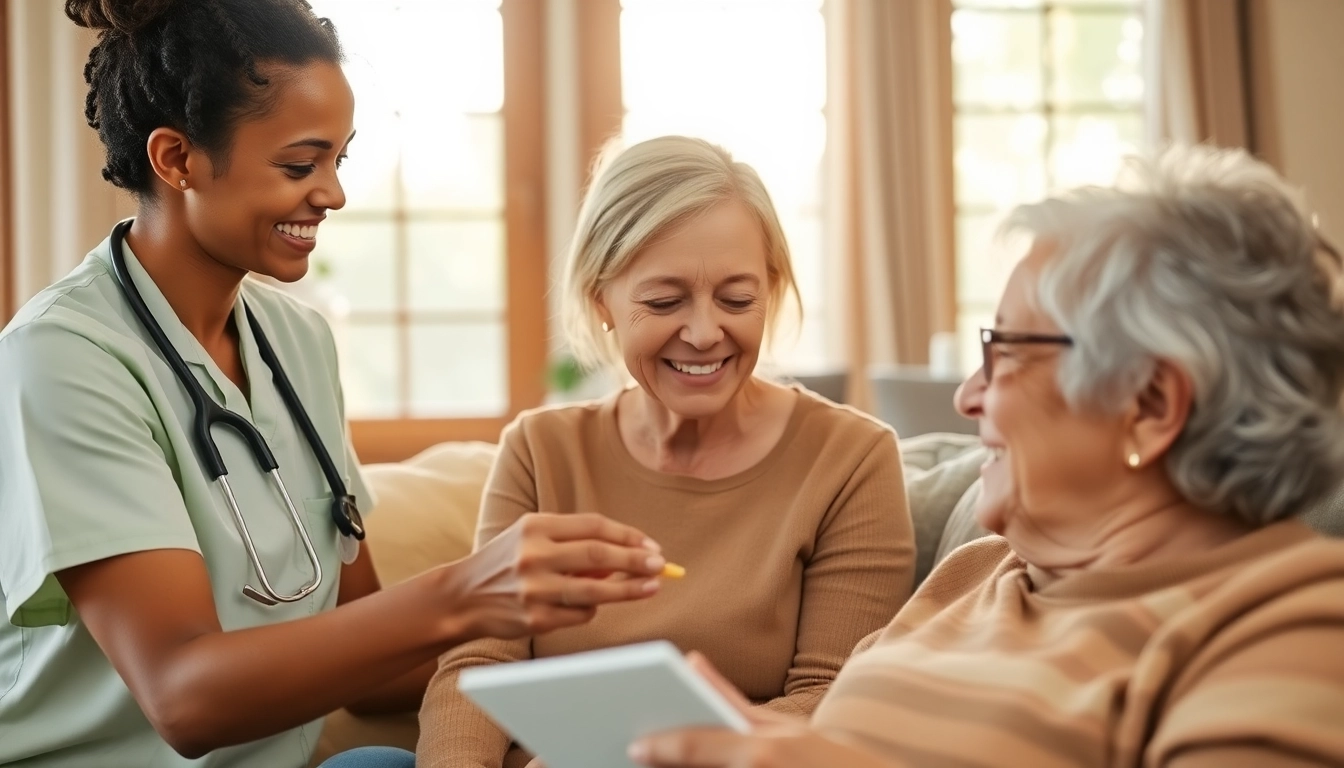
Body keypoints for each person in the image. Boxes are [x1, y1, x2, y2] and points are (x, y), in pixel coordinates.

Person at [0, 2, 669, 766]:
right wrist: (467, 591)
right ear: (177, 159)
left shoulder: (297, 342)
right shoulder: (63, 358)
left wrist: (583, 684)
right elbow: (183, 698)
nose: (333, 195)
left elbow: (372, 668)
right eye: (298, 165)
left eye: (338, 161)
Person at [625, 145, 1344, 768]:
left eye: (1006, 354)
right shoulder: (974, 572)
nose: (969, 396)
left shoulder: (1284, 626)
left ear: (1151, 407)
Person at [416, 136, 917, 768]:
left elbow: (833, 698)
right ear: (603, 299)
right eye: (663, 301)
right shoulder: (541, 451)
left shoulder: (850, 458)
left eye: (738, 299)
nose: (706, 333)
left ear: (771, 288)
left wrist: (615, 757)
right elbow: (478, 664)